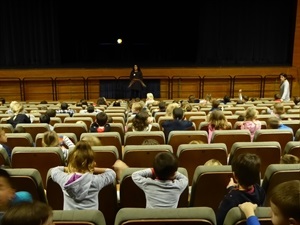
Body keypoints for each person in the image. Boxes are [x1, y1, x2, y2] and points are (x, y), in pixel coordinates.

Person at [50, 140, 117, 210]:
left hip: (69, 220)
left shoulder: (64, 180)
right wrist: (93, 169)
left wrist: (72, 168)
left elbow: (54, 170)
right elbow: (112, 173)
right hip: (91, 220)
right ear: (90, 164)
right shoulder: (96, 181)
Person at [216, 153, 265, 225]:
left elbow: (218, 221)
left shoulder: (229, 199)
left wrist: (231, 191)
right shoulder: (261, 191)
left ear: (235, 176)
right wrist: (232, 189)